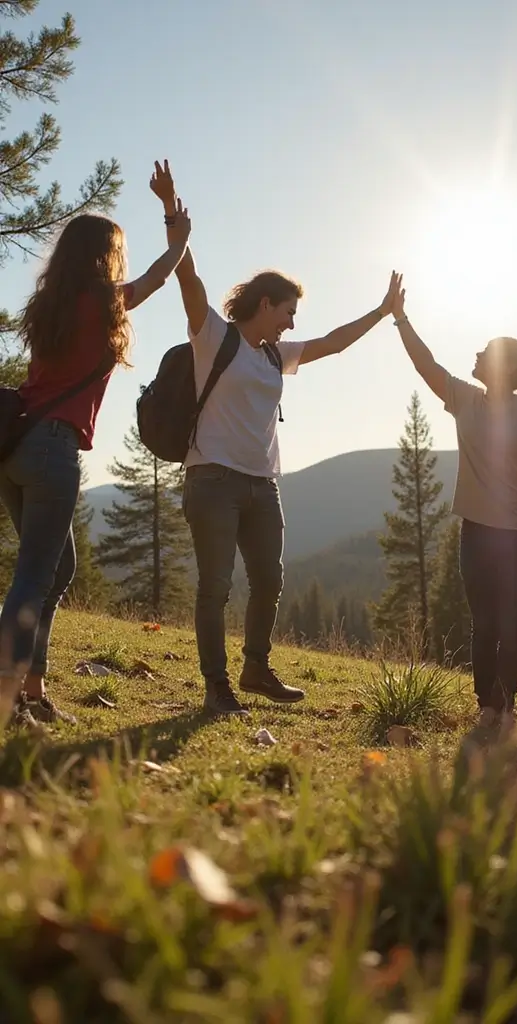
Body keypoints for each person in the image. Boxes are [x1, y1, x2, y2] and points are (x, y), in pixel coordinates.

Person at [149, 161, 401, 718]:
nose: (292, 322)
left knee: (270, 578)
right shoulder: (214, 337)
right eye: (288, 310)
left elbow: (332, 343)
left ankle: (256, 668)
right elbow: (188, 280)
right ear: (265, 304)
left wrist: (383, 312)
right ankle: (217, 687)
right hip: (211, 478)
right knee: (215, 585)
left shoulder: (273, 355)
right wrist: (172, 215)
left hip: (263, 487)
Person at [0, 166, 192, 730]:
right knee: (36, 575)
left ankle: (32, 688)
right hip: (52, 451)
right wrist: (174, 228)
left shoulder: (51, 306)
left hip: (14, 453)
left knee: (57, 568)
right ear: (104, 256)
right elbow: (158, 277)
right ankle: (8, 698)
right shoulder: (102, 301)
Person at [390, 278, 517, 731]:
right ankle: (487, 705)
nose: (474, 355)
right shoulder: (465, 398)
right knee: (487, 622)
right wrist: (399, 318)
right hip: (479, 531)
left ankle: (503, 705)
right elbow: (424, 363)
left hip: (514, 535)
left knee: (505, 623)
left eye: (484, 351)